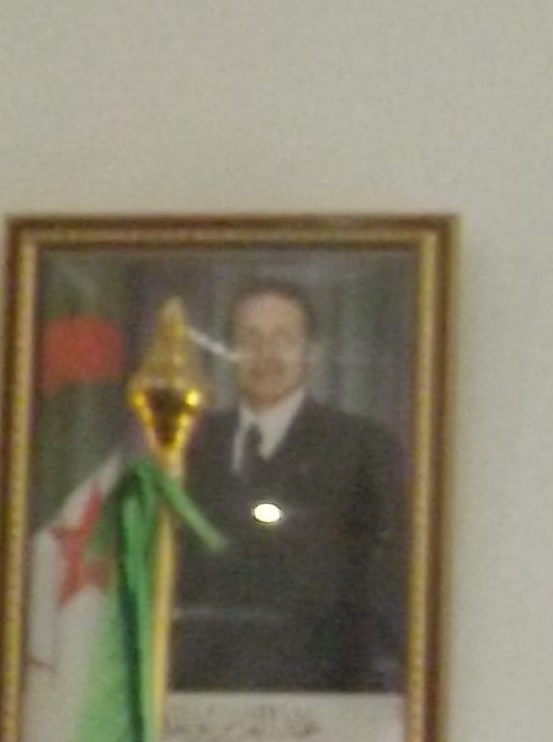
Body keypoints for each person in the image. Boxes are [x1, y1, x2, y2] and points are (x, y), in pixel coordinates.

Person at [164, 276, 406, 693]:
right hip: (202, 695)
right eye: (249, 339)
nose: (266, 356)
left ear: (311, 351)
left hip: (325, 695)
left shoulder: (362, 448)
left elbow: (385, 590)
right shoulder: (186, 446)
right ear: (227, 352)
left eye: (283, 339)